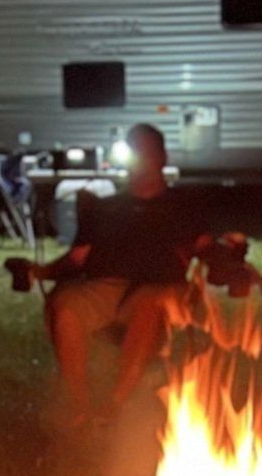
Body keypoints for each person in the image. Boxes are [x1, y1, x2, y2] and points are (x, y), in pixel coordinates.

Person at [11, 124, 210, 424]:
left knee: (148, 301)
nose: (141, 160)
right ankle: (80, 407)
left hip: (163, 288)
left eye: (147, 152)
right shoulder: (105, 208)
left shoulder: (183, 204)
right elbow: (77, 260)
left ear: (162, 157)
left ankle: (113, 406)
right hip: (106, 287)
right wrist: (38, 271)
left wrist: (228, 259)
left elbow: (206, 247)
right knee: (66, 306)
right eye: (135, 152)